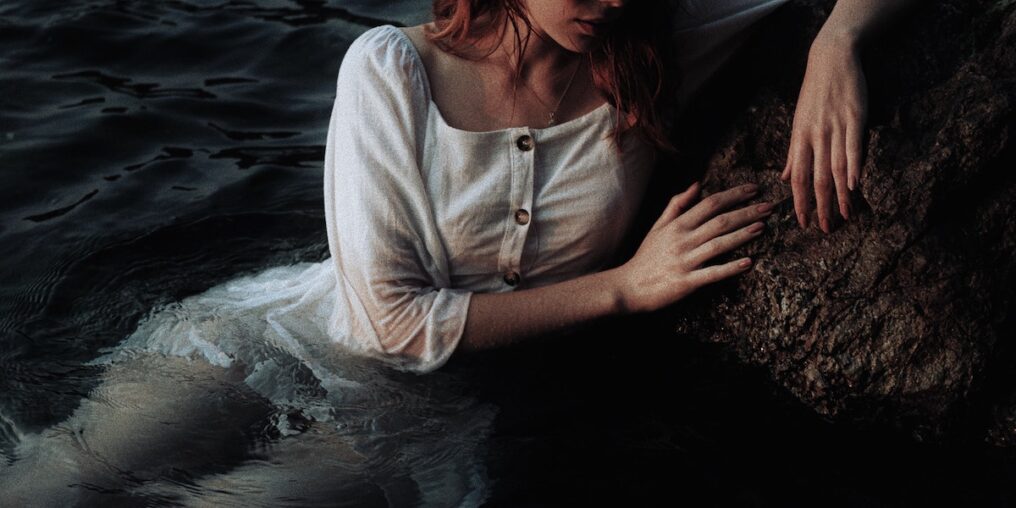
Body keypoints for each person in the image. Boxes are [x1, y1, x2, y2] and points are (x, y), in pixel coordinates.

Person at [0, 0, 918, 503]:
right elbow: (387, 324)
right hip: (275, 336)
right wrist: (625, 289)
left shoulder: (654, 47)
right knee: (66, 476)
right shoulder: (389, 69)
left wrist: (838, 42)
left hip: (424, 416)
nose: (611, 0)